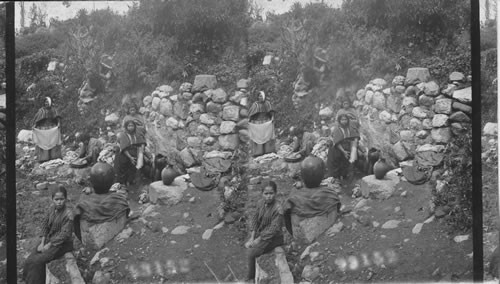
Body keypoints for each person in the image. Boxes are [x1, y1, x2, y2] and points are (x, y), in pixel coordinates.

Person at [23, 186, 74, 284]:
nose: (59, 202)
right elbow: (45, 225)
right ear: (52, 200)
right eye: (56, 199)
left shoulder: (69, 214)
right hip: (49, 239)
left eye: (61, 199)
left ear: (66, 199)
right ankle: (27, 280)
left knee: (37, 261)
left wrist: (48, 245)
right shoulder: (51, 209)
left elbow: (64, 235)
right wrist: (42, 242)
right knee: (31, 258)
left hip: (62, 245)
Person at [245, 181, 284, 282]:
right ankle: (251, 274)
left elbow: (273, 229)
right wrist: (252, 237)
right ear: (262, 194)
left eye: (271, 193)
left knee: (251, 253)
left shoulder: (278, 209)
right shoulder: (260, 203)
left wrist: (258, 240)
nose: (268, 196)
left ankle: (251, 278)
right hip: (262, 233)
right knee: (249, 245)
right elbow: (255, 218)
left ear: (275, 193)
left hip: (274, 238)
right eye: (266, 194)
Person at [327, 114, 360, 184]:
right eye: (342, 120)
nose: (344, 121)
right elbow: (337, 142)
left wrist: (354, 148)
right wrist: (344, 152)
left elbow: (355, 137)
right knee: (338, 159)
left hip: (347, 146)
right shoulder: (337, 129)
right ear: (339, 121)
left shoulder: (350, 128)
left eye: (345, 119)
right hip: (338, 148)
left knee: (353, 158)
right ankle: (337, 178)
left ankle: (347, 176)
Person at [114, 119, 146, 186]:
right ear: (126, 127)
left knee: (135, 166)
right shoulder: (123, 135)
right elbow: (124, 148)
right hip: (125, 153)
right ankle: (123, 183)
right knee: (124, 164)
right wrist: (130, 158)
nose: (131, 127)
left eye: (132, 126)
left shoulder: (136, 134)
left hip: (134, 152)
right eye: (129, 126)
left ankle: (131, 181)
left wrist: (141, 152)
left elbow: (142, 142)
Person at [32, 97, 62, 162]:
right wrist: (35, 125)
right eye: (45, 102)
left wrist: (58, 123)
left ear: (50, 103)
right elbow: (37, 119)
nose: (46, 104)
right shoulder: (41, 110)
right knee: (43, 142)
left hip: (52, 127)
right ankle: (43, 158)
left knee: (53, 142)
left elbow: (57, 118)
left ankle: (54, 156)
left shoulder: (54, 110)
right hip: (43, 128)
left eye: (47, 102)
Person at [248, 91, 276, 157]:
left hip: (266, 123)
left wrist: (272, 117)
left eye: (262, 96)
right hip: (258, 123)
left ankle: (268, 151)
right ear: (257, 97)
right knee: (258, 137)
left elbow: (271, 112)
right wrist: (249, 121)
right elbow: (251, 114)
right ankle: (258, 152)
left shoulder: (267, 103)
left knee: (267, 136)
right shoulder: (255, 104)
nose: (261, 97)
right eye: (259, 96)